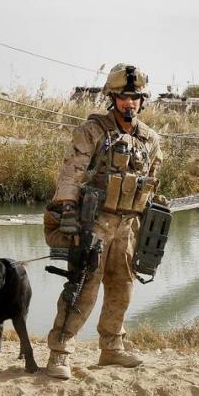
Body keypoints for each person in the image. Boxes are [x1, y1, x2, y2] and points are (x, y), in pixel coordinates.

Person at [44, 63, 164, 380]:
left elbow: (152, 181)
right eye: (123, 97)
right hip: (94, 222)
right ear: (112, 98)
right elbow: (72, 173)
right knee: (83, 286)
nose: (129, 103)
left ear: (142, 100)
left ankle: (112, 348)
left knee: (122, 287)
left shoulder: (150, 139)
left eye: (135, 97)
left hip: (129, 224)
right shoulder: (92, 131)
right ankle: (60, 352)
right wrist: (67, 209)